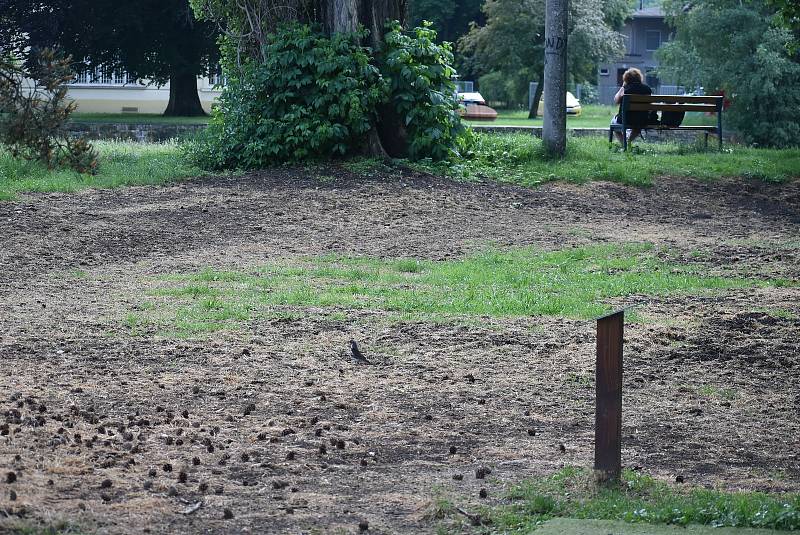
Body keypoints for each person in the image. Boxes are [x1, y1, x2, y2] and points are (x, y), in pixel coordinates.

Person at [611, 68, 652, 146]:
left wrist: (622, 87)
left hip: (626, 119)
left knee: (613, 124)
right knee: (637, 126)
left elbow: (616, 101)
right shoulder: (647, 89)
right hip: (642, 119)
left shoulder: (625, 88)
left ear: (626, 79)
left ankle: (624, 145)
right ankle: (628, 142)